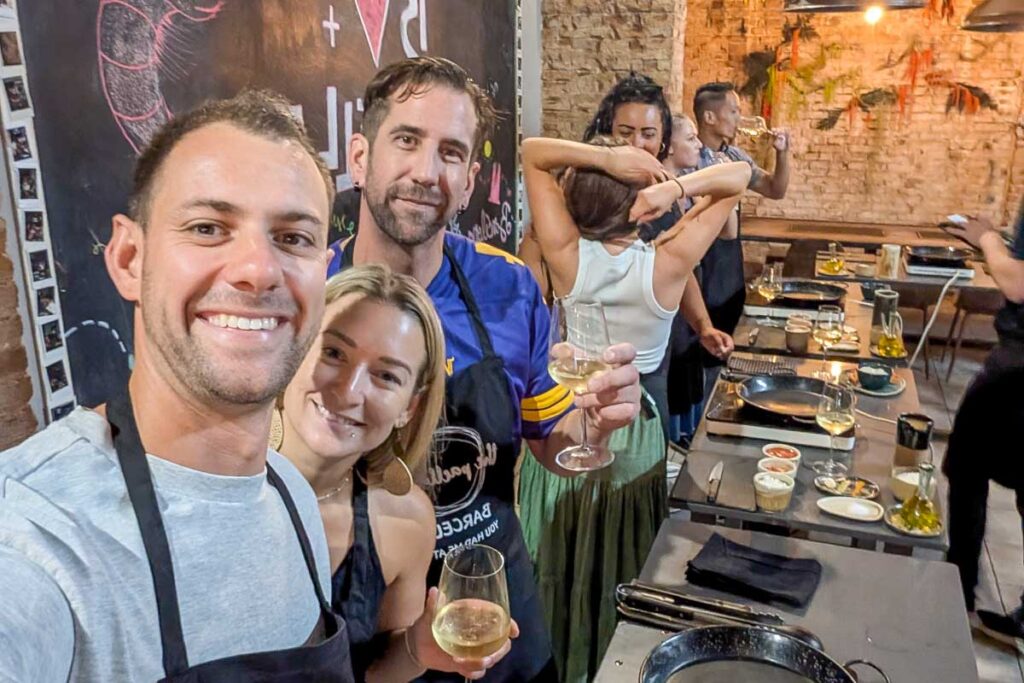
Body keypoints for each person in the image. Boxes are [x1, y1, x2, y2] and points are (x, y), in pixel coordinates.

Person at [0, 91, 355, 681]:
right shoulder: (37, 534)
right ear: (129, 257)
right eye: (208, 227)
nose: (258, 270)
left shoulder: (290, 493)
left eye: (294, 238)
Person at [328, 57, 644, 683]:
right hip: (371, 636)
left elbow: (552, 444)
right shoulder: (315, 300)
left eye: (450, 153)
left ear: (470, 180)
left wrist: (598, 427)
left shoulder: (508, 287)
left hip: (497, 612)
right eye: (407, 140)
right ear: (360, 157)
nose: (426, 171)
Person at [520, 135, 750, 683]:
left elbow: (532, 152)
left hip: (568, 421)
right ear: (639, 205)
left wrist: (601, 158)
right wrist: (676, 186)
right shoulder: (669, 261)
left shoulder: (566, 253)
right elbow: (738, 178)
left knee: (555, 551)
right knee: (617, 558)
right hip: (634, 425)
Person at [276, 263, 516, 681]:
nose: (350, 392)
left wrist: (416, 648)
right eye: (333, 353)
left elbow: (375, 674)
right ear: (295, 349)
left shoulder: (407, 519)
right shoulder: (212, 483)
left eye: (386, 376)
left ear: (410, 407)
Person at [580, 74, 734, 442]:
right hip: (588, 360)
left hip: (650, 357)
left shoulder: (663, 197)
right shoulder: (585, 189)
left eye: (648, 134)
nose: (636, 144)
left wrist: (703, 325)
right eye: (624, 132)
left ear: (662, 138)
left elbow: (681, 269)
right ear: (606, 129)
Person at [941, 201, 1024, 653]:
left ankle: (957, 588)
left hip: (1018, 364)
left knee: (967, 465)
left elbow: (1016, 283)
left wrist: (987, 238)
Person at [693, 81, 791, 356]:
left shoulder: (734, 156)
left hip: (729, 266)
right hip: (702, 265)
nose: (740, 118)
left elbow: (775, 189)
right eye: (734, 111)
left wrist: (782, 153)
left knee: (727, 340)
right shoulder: (690, 158)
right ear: (710, 117)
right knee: (702, 350)